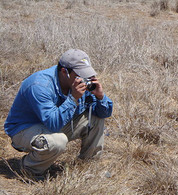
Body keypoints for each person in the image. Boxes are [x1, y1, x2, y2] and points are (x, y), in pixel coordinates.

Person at [4, 49, 113, 179]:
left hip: (53, 124)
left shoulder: (80, 82)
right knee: (57, 141)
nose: (85, 79)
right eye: (80, 74)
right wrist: (73, 98)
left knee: (96, 118)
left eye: (87, 74)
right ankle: (29, 170)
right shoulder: (39, 85)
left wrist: (101, 97)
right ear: (64, 72)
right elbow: (53, 124)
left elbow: (104, 113)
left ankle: (88, 167)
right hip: (24, 129)